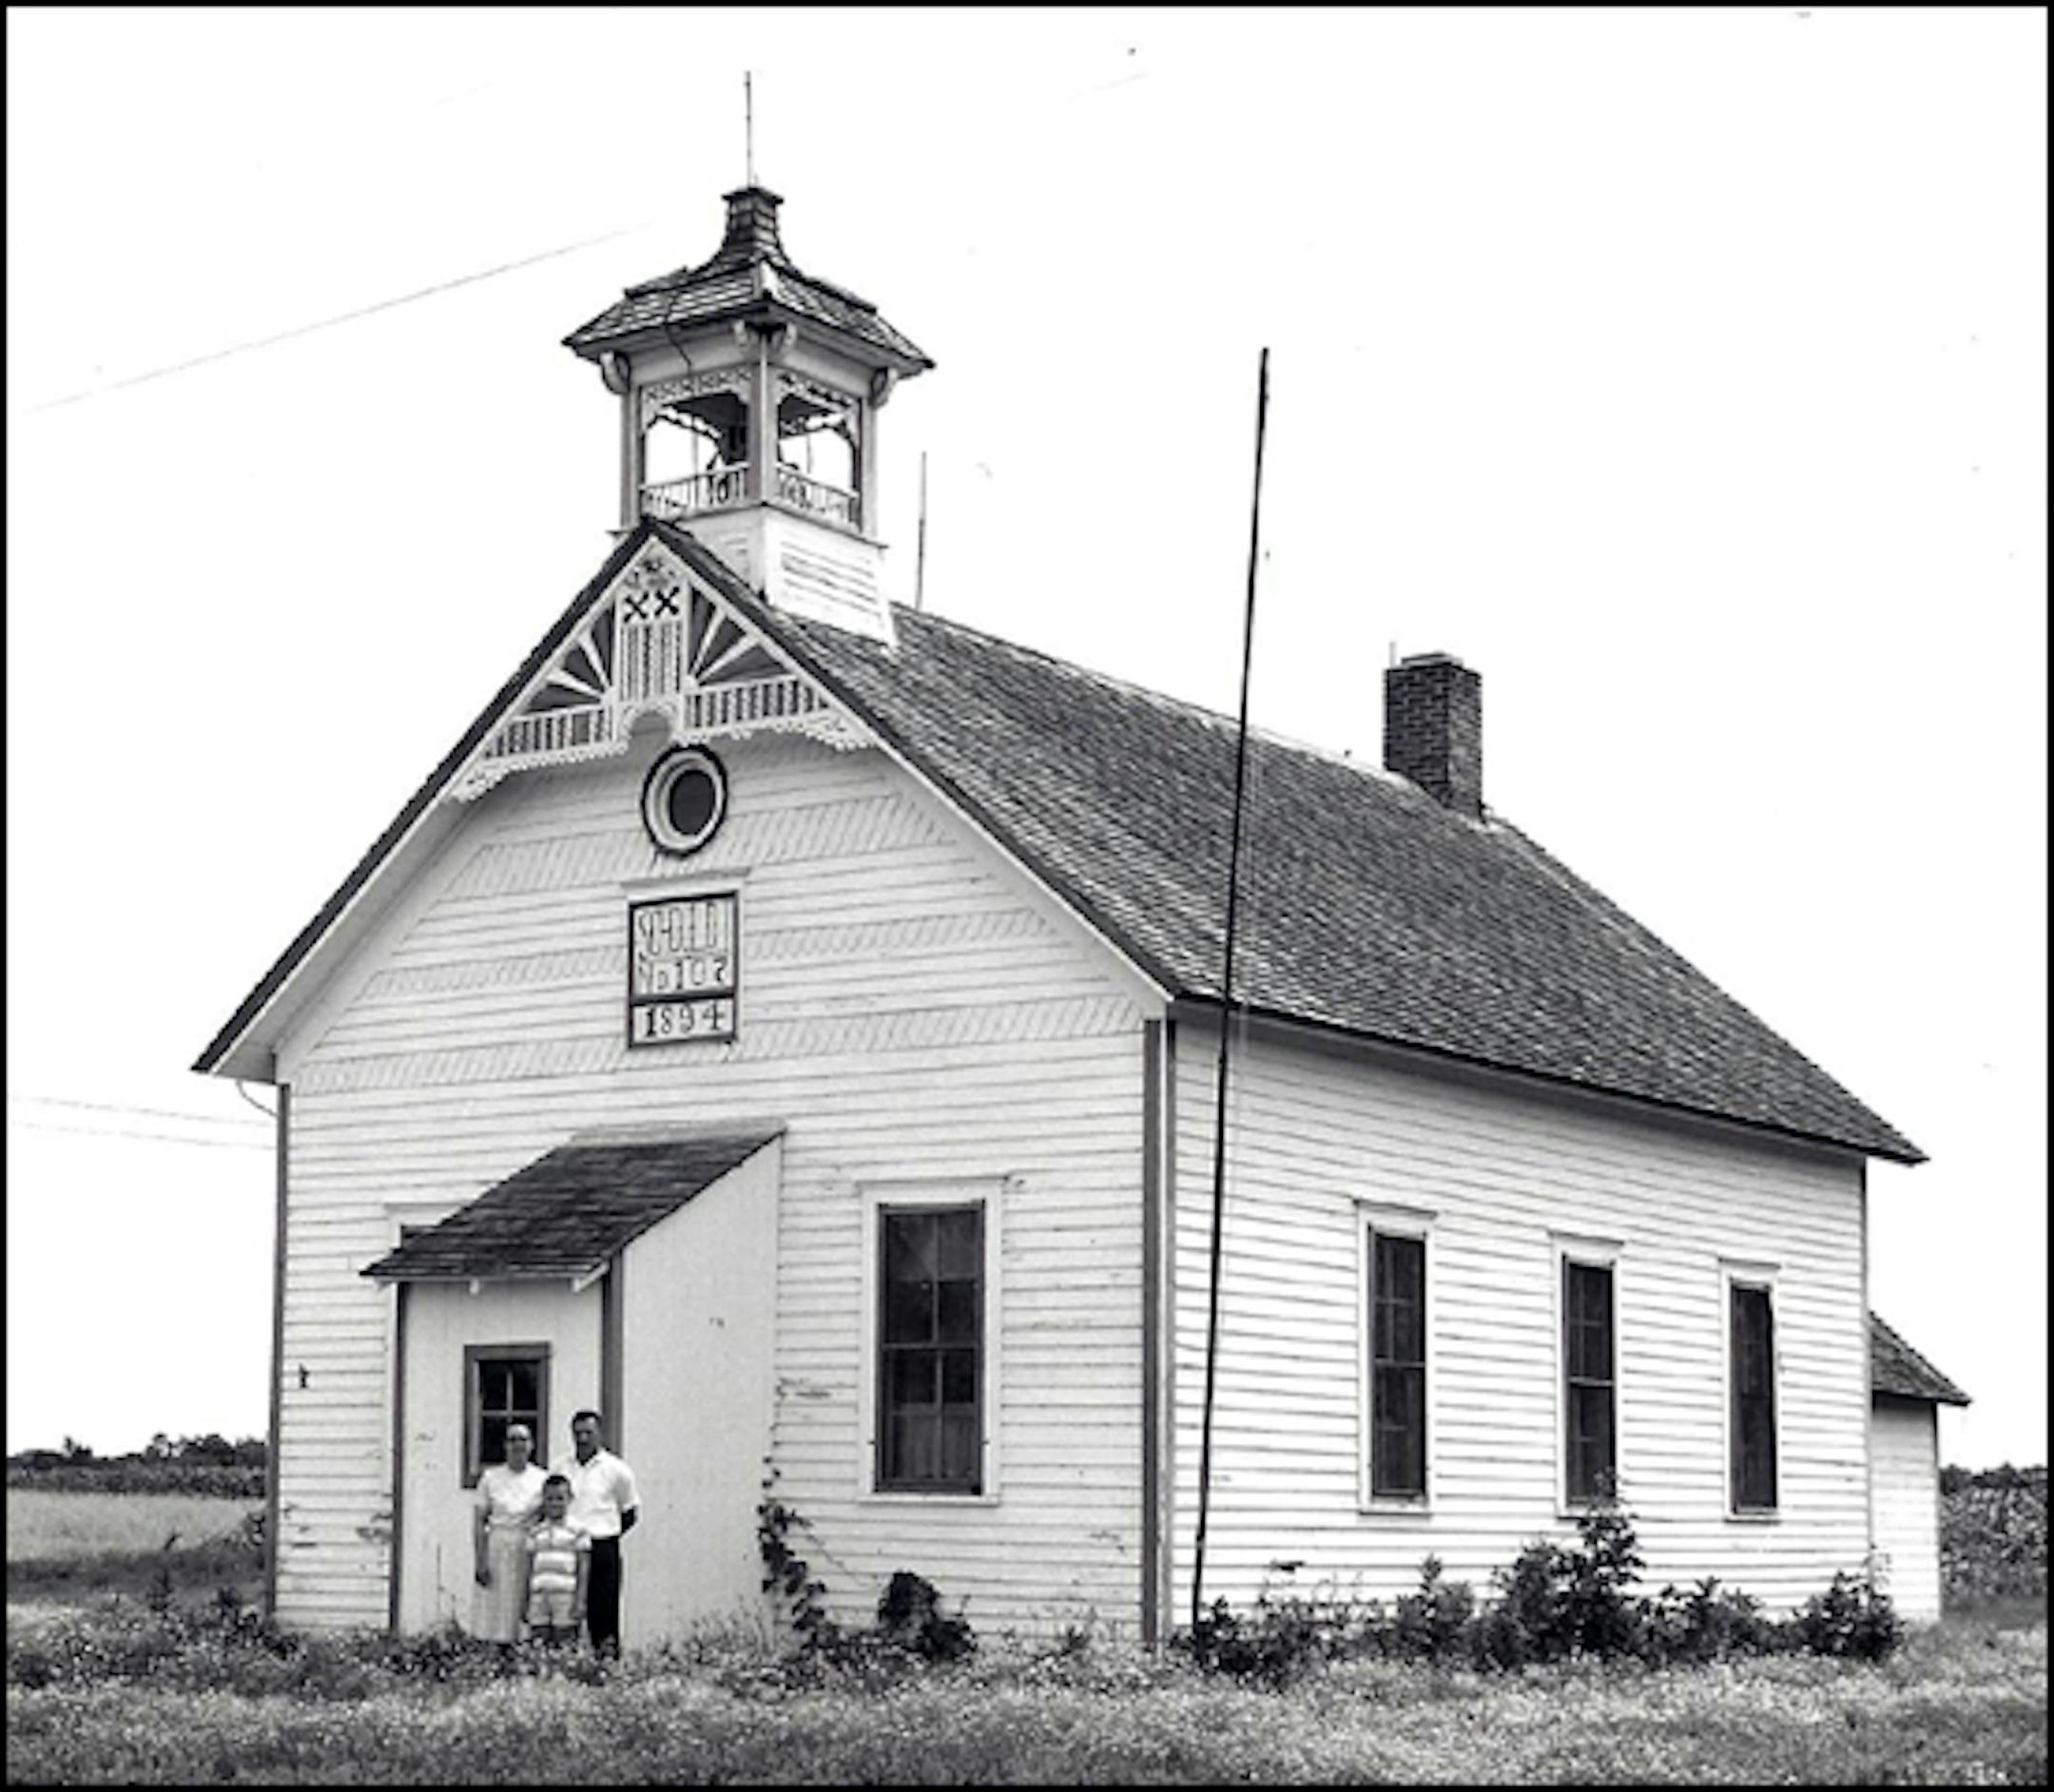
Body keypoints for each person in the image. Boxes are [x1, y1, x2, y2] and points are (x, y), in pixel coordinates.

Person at [550, 1408, 639, 1656]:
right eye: (578, 1433)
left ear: (599, 1433)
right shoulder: (560, 1467)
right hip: (567, 1549)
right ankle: (569, 1671)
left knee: (604, 1615)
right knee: (566, 1614)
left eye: (588, 1432)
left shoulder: (617, 1470)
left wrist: (604, 1536)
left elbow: (630, 1513)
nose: (583, 1439)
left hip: (602, 1548)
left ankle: (606, 1672)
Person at [470, 1422, 545, 1645]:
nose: (518, 1445)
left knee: (522, 1602)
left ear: (531, 1445)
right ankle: (495, 1657)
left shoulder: (541, 1478)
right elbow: (479, 1521)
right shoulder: (491, 1478)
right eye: (512, 1439)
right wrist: (480, 1561)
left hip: (528, 1546)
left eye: (523, 1439)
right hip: (498, 1544)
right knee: (496, 1606)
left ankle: (521, 1654)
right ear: (505, 1445)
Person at [523, 1474, 590, 1647]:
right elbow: (528, 1566)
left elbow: (583, 1566)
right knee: (539, 1641)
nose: (554, 1504)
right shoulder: (535, 1531)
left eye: (560, 1498)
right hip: (539, 1595)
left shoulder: (578, 1530)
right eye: (550, 1499)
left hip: (565, 1595)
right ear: (543, 1500)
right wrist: (525, 1599)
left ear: (570, 1499)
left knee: (565, 1641)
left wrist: (580, 1600)